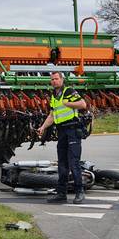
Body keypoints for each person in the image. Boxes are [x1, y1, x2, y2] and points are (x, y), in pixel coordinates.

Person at [37, 72, 88, 204]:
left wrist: (68, 104)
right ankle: (61, 194)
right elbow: (52, 115)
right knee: (62, 164)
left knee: (74, 163)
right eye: (52, 79)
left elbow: (83, 104)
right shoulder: (53, 96)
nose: (54, 81)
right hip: (62, 132)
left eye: (56, 79)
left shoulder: (68, 91)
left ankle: (79, 192)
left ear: (62, 79)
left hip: (72, 130)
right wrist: (43, 127)